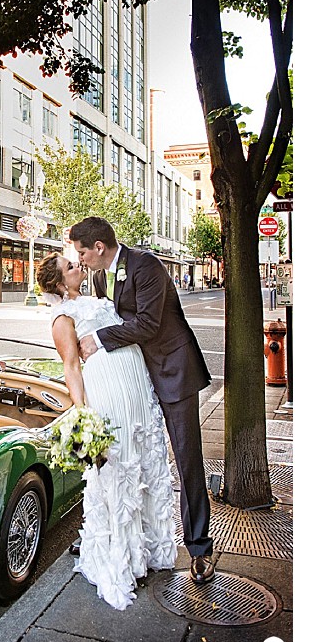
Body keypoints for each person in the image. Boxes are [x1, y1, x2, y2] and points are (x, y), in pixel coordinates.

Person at [68, 217, 214, 584]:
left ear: (99, 247)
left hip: (173, 370)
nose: (81, 260)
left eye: (83, 252)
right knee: (134, 458)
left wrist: (99, 339)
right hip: (137, 377)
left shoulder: (146, 265)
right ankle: (125, 538)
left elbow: (148, 324)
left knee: (187, 459)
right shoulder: (101, 275)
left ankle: (199, 547)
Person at [36, 252, 177, 610]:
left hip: (134, 383)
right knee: (121, 467)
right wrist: (82, 413)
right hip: (109, 389)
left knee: (146, 459)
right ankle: (122, 560)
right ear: (57, 283)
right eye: (70, 266)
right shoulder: (61, 317)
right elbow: (70, 366)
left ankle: (149, 548)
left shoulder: (97, 295)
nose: (77, 266)